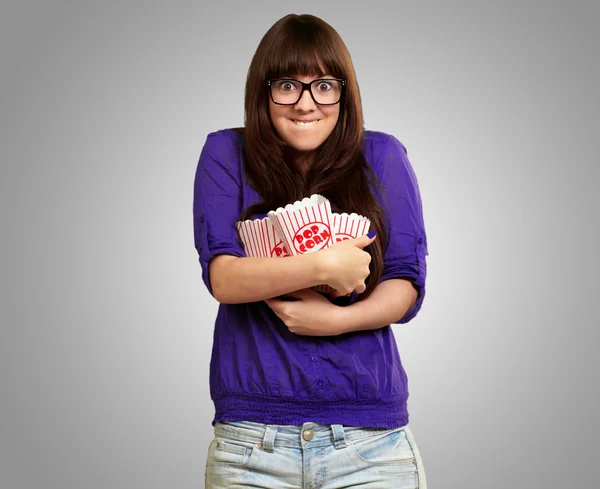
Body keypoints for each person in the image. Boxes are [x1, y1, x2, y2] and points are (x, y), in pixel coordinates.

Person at [193, 13, 429, 489]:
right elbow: (224, 278)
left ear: (345, 93)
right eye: (287, 84)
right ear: (263, 91)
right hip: (250, 444)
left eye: (323, 85)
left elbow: (405, 284)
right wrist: (321, 265)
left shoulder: (382, 157)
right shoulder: (224, 154)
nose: (306, 103)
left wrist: (335, 319)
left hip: (370, 445)